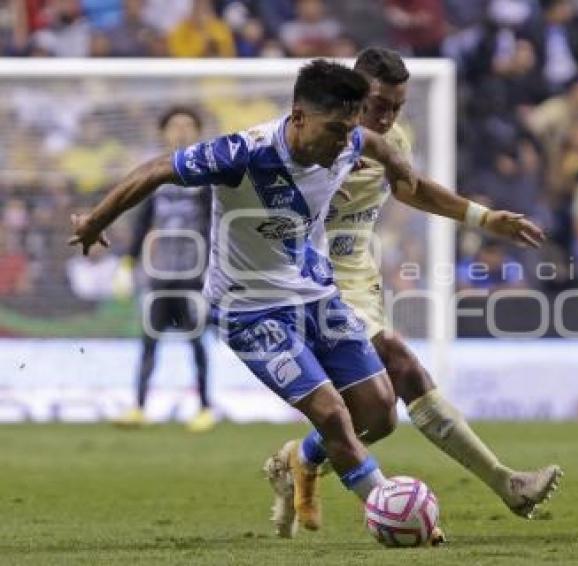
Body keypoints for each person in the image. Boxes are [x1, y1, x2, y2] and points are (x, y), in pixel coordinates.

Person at [68, 60, 426, 541]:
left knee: (379, 413)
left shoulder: (349, 141)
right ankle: (391, 513)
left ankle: (300, 460)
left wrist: (399, 163)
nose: (345, 142)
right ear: (299, 117)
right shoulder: (243, 152)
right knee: (332, 414)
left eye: (350, 129)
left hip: (316, 296)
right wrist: (95, 220)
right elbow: (157, 170)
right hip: (249, 309)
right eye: (337, 130)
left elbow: (374, 142)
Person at [284, 48, 561, 534]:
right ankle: (506, 483)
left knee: (379, 412)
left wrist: (482, 217)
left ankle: (301, 458)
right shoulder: (313, 140)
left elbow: (409, 189)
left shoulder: (393, 140)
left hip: (356, 283)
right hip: (304, 281)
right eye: (377, 105)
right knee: (402, 366)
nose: (387, 117)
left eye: (396, 106)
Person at [112, 107, 214, 432]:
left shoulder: (207, 176)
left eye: (187, 126)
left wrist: (217, 268)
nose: (181, 132)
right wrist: (127, 263)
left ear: (198, 132)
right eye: (174, 126)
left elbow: (216, 224)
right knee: (149, 341)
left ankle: (205, 408)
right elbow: (142, 222)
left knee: (197, 342)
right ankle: (139, 406)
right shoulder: (154, 174)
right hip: (159, 275)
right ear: (163, 133)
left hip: (194, 275)